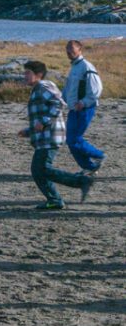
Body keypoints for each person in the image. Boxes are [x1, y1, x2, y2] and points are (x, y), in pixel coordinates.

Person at [19, 60, 93, 209]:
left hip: (50, 137)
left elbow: (59, 103)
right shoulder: (38, 89)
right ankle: (54, 200)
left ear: (38, 74)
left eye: (28, 73)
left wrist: (45, 122)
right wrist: (29, 131)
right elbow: (42, 115)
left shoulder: (43, 86)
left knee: (42, 169)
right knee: (38, 170)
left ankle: (80, 181)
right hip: (44, 137)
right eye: (24, 73)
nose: (25, 76)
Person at [62, 40, 105, 175]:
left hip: (84, 109)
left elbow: (97, 89)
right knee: (70, 140)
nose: (69, 52)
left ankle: (99, 156)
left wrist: (84, 103)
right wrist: (60, 100)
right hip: (73, 109)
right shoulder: (74, 67)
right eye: (67, 49)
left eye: (72, 49)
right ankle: (89, 167)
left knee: (74, 139)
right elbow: (69, 89)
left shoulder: (86, 66)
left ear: (80, 50)